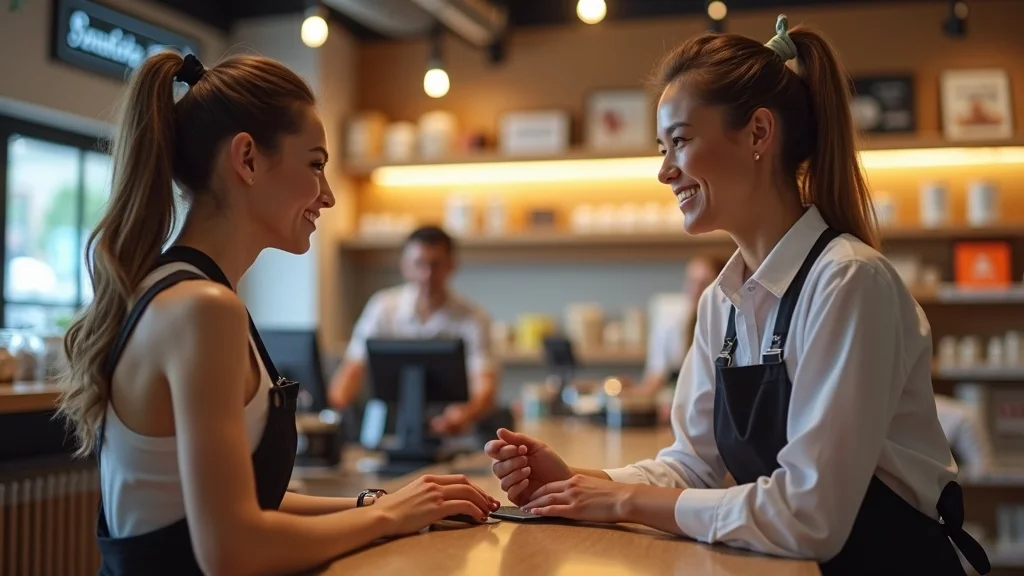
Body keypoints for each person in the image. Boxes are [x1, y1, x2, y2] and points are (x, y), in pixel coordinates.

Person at [485, 15, 990, 576]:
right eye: (662, 146)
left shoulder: (848, 282)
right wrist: (580, 480)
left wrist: (623, 501)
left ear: (757, 133)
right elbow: (692, 465)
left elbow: (810, 515)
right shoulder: (720, 302)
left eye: (679, 141)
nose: (664, 171)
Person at [55, 51, 498, 576]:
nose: (328, 196)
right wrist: (389, 517)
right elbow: (233, 550)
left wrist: (379, 504)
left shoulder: (179, 289)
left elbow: (235, 503)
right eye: (315, 164)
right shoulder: (203, 308)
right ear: (246, 159)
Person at [328, 225, 498, 436]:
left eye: (435, 265)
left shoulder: (473, 318)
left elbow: (485, 385)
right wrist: (334, 413)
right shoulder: (382, 307)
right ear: (405, 266)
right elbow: (353, 368)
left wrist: (464, 414)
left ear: (451, 266)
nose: (427, 275)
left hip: (450, 435)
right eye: (419, 264)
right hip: (385, 431)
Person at [637, 255, 726, 396]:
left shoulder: (727, 325)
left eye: (704, 283)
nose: (695, 289)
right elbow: (655, 377)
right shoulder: (671, 320)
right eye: (691, 281)